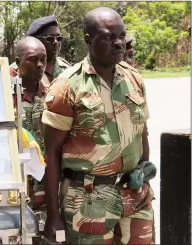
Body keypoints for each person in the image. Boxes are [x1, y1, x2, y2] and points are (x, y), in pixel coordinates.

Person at [42, 7, 155, 244]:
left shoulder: (134, 78)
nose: (119, 43)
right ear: (88, 39)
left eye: (122, 36)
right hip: (88, 200)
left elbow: (142, 131)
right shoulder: (67, 86)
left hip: (134, 193)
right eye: (108, 37)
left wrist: (143, 172)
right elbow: (51, 153)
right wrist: (53, 215)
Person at [11, 36, 48, 208]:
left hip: (47, 183)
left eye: (43, 60)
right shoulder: (4, 96)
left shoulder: (52, 95)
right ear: (18, 62)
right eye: (33, 60)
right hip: (16, 184)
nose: (40, 65)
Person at [10, 15, 71, 85]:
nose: (56, 42)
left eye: (59, 38)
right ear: (35, 40)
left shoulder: (67, 69)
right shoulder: (15, 70)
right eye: (50, 38)